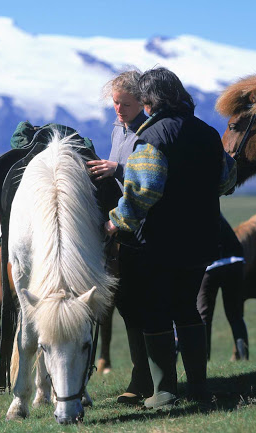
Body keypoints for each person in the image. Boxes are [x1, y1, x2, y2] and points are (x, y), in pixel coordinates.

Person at [105, 67, 236, 409]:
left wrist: (116, 222)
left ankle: (164, 391)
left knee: (155, 312)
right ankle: (199, 388)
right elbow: (227, 180)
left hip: (159, 242)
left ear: (149, 101)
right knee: (187, 307)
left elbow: (142, 191)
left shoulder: (153, 137)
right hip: (203, 239)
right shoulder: (207, 133)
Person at [87, 70, 153, 405]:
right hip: (120, 230)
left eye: (124, 103)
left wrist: (118, 170)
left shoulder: (148, 131)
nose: (118, 109)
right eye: (114, 102)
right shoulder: (118, 128)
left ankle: (148, 379)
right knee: (127, 304)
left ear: (142, 101)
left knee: (141, 305)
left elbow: (151, 180)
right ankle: (142, 376)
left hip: (143, 230)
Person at [197, 214, 249, 361]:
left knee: (204, 315)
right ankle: (244, 358)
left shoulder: (187, 212)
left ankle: (203, 360)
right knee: (236, 314)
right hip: (235, 262)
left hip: (209, 267)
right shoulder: (213, 208)